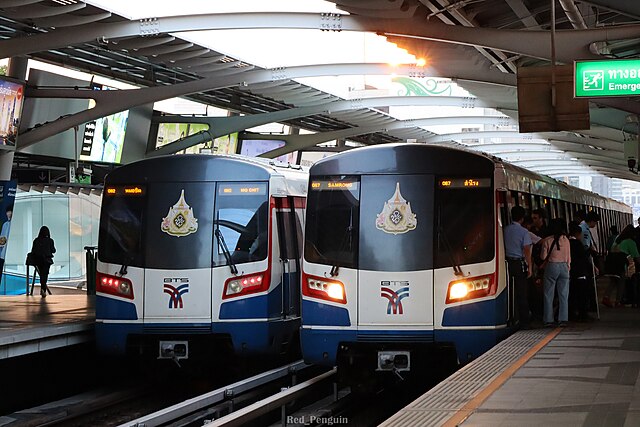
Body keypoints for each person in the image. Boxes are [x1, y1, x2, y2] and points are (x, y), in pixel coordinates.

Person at [504, 206, 533, 329]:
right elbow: (526, 250)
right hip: (519, 263)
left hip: (507, 263)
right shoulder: (524, 232)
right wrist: (530, 267)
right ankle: (524, 322)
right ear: (522, 218)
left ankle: (510, 316)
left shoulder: (505, 229)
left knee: (510, 290)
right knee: (522, 292)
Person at [540, 218, 571, 327]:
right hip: (564, 267)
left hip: (552, 266)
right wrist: (568, 266)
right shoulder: (566, 240)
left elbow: (543, 257)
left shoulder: (547, 240)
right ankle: (563, 319)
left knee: (548, 294)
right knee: (563, 294)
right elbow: (568, 257)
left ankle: (548, 320)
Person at [603, 224, 640, 308]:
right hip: (620, 264)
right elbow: (637, 257)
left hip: (611, 262)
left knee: (613, 280)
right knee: (621, 282)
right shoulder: (630, 242)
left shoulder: (618, 239)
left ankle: (606, 297)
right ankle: (618, 301)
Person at [568, 221, 592, 321]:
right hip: (580, 272)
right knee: (582, 294)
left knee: (572, 294)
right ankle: (583, 314)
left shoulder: (567, 242)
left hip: (570, 272)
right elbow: (583, 258)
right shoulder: (578, 244)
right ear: (578, 233)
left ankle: (571, 313)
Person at [31, 226, 56, 298]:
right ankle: (43, 290)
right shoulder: (50, 240)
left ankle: (43, 289)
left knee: (42, 274)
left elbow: (33, 251)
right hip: (47, 260)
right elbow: (53, 250)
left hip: (38, 260)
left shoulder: (36, 240)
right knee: (45, 275)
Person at [0, 204, 13, 284]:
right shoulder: (5, 224)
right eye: (8, 212)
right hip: (3, 252)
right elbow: (2, 238)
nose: (9, 213)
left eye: (10, 211)